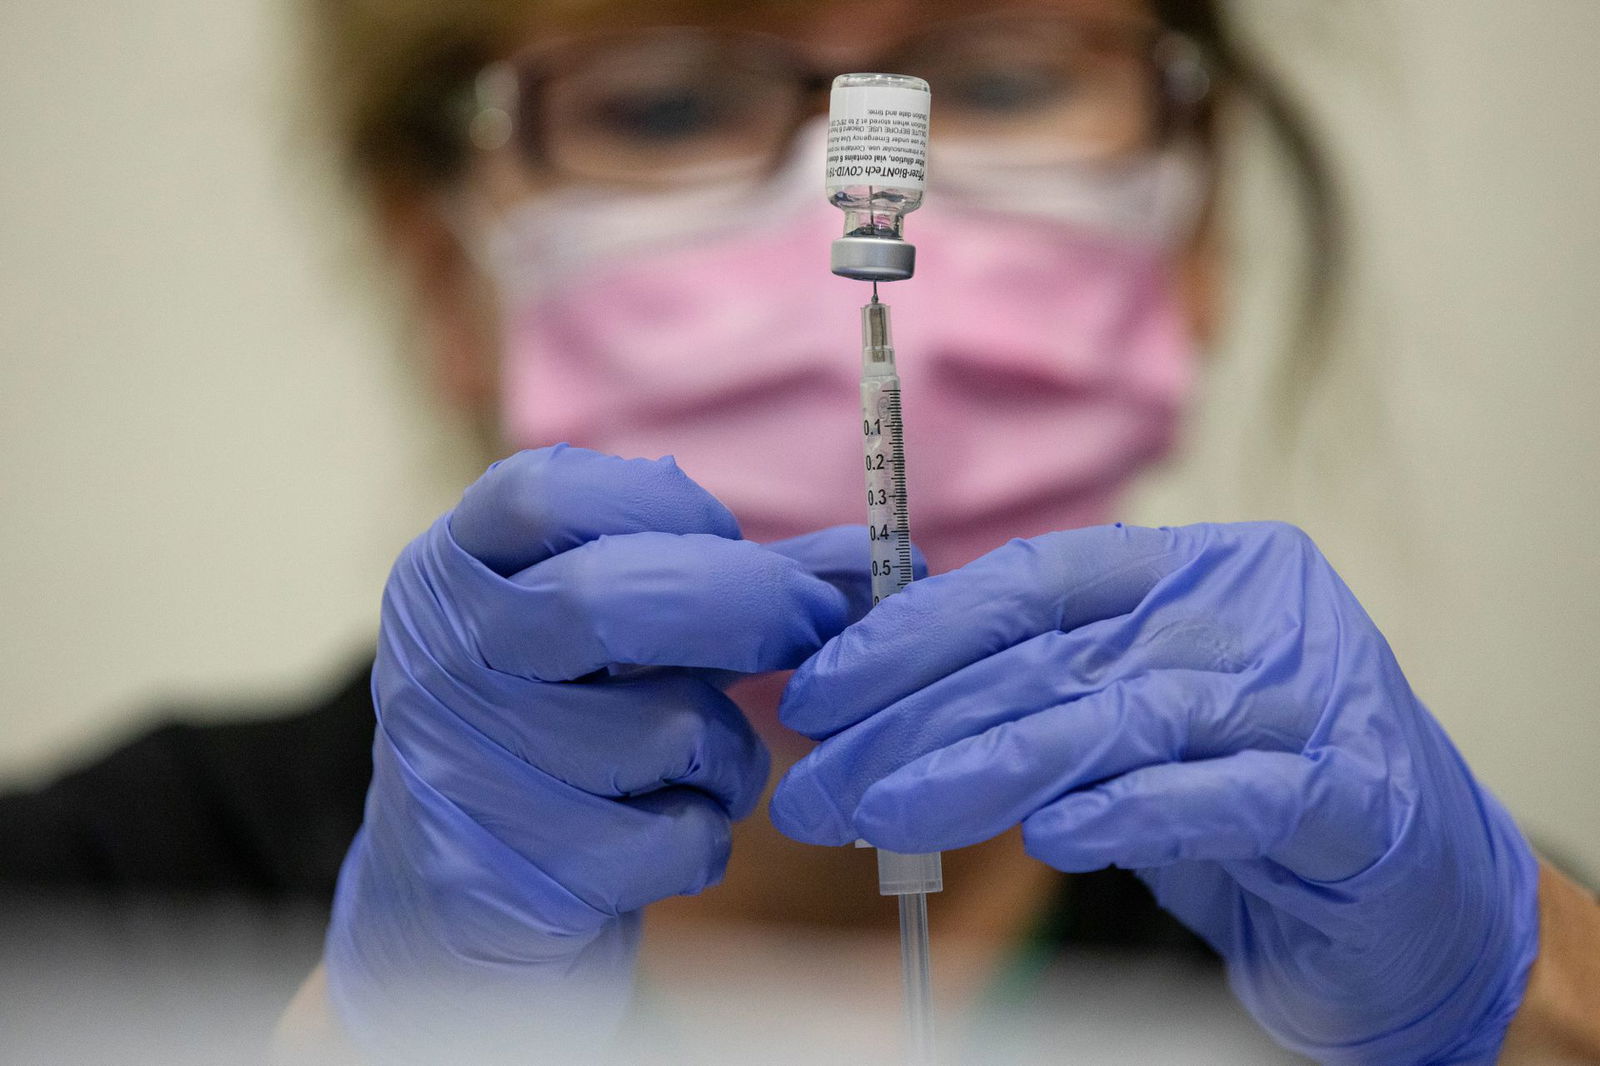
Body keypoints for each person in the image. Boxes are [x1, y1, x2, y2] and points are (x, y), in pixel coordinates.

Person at [3, 0, 1598, 1063]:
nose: (817, 199)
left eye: (1007, 73)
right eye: (672, 96)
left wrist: (1527, 997)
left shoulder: (1409, 912)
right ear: (445, 264)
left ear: (1202, 217)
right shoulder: (93, 906)